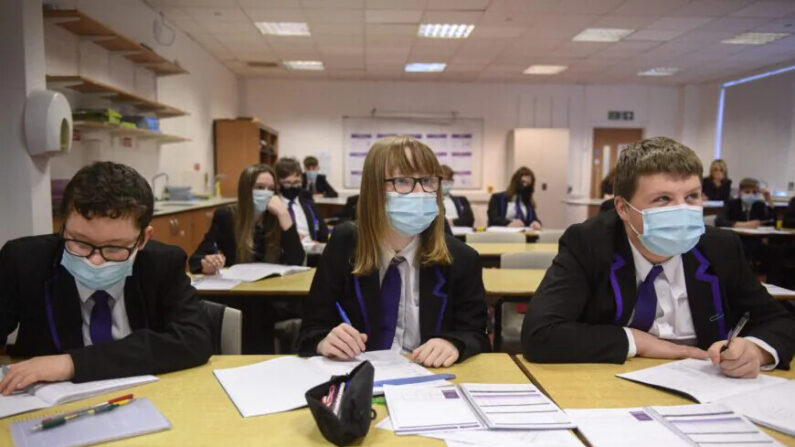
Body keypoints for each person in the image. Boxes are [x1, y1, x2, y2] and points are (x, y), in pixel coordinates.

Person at [522, 137, 794, 378]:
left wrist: (756, 350)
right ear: (622, 208)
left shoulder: (720, 247)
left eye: (692, 196)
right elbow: (540, 334)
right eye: (663, 199)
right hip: (612, 384)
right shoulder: (590, 242)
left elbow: (779, 321)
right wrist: (639, 342)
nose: (681, 210)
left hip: (706, 387)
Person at [0, 162, 212, 392]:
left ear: (142, 239)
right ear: (63, 227)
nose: (95, 261)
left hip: (146, 397)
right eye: (80, 243)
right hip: (47, 407)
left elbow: (193, 340)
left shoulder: (163, 263)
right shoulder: (24, 261)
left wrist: (72, 363)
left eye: (114, 248)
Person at [297, 136, 490, 368]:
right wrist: (323, 340)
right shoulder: (344, 243)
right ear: (374, 189)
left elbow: (476, 334)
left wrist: (453, 343)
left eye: (427, 181)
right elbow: (311, 329)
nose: (419, 192)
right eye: (402, 181)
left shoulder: (462, 258)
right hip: (358, 376)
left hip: (430, 379)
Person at [189, 164, 304, 273]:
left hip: (273, 286)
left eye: (271, 189)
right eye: (259, 187)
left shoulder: (277, 216)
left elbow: (297, 261)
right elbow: (196, 260)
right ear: (246, 190)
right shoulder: (227, 216)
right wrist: (207, 264)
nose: (266, 193)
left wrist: (284, 215)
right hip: (239, 287)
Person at [275, 158, 329, 245]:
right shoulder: (274, 205)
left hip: (312, 250)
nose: (293, 186)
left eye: (297, 182)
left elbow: (323, 232)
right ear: (278, 183)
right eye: (287, 183)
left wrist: (320, 244)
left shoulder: (307, 202)